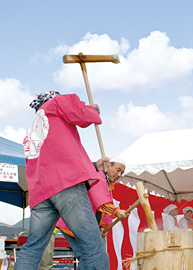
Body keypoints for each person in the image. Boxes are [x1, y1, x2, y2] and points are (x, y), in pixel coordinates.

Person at [15, 91, 124, 270]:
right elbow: (84, 115)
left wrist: (94, 165)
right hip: (66, 186)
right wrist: (94, 110)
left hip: (40, 193)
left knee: (33, 248)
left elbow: (52, 159)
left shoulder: (34, 129)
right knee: (93, 246)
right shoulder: (57, 103)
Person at [55, 156, 127, 267]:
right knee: (91, 256)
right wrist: (116, 212)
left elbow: (104, 212)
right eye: (118, 170)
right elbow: (101, 201)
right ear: (108, 165)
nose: (119, 175)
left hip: (78, 222)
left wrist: (102, 226)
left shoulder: (108, 185)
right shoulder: (97, 176)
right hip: (74, 221)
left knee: (89, 256)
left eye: (122, 173)